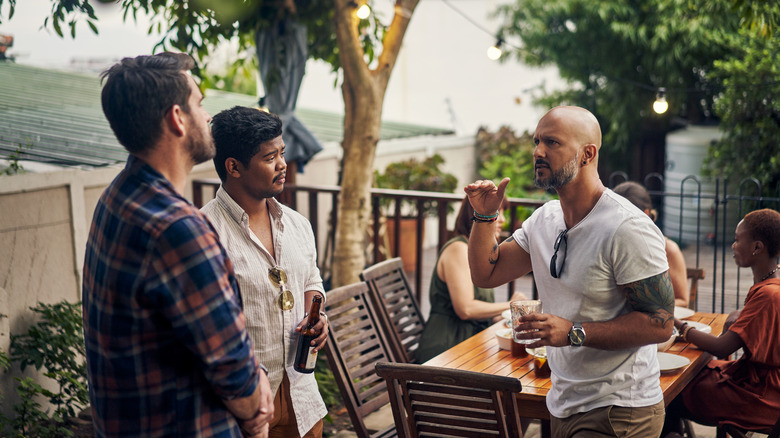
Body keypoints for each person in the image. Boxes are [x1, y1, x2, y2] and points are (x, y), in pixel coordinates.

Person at [82, 53, 273, 438]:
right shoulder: (179, 231)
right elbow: (237, 376)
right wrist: (257, 406)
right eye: (199, 104)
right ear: (177, 118)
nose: (207, 117)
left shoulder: (116, 198)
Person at [465, 106, 675, 437]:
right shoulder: (542, 220)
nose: (538, 152)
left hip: (618, 409)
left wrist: (572, 332)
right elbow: (486, 275)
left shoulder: (627, 226)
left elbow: (660, 323)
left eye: (551, 142)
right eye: (536, 141)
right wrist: (484, 217)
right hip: (563, 401)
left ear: (587, 154)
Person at [201, 106, 328, 438]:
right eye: (270, 157)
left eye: (282, 153)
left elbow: (311, 280)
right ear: (234, 167)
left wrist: (317, 316)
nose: (283, 164)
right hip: (245, 410)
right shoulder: (204, 234)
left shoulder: (297, 224)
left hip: (303, 398)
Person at [663, 208, 780, 435]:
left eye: (737, 240)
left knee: (672, 393)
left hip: (761, 396)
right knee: (694, 372)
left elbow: (722, 348)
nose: (733, 246)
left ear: (757, 247)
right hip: (758, 384)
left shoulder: (768, 295)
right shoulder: (771, 284)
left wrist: (676, 323)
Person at [416, 196, 528, 363]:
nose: (503, 220)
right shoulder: (459, 249)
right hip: (446, 349)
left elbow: (477, 311)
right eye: (497, 213)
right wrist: (512, 306)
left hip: (470, 343)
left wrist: (509, 315)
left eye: (503, 213)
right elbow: (466, 309)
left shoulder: (478, 254)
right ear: (476, 215)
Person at [613, 181, 691, 308]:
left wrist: (649, 311)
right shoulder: (614, 247)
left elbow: (682, 300)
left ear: (646, 214)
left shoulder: (669, 249)